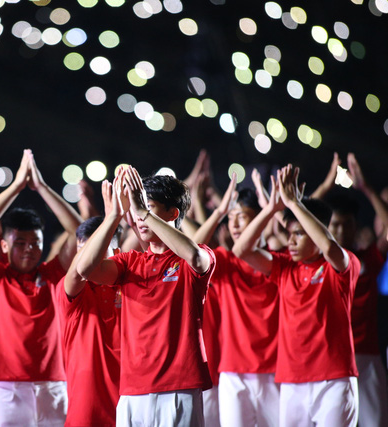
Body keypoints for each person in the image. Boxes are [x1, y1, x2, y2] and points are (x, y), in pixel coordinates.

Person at [76, 167, 215, 426]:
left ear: (173, 213)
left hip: (179, 385)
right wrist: (113, 217)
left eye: (148, 206)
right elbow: (84, 270)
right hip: (132, 389)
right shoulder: (130, 263)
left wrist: (143, 212)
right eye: (138, 208)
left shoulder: (192, 257)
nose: (139, 217)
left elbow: (197, 258)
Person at [233, 165, 360, 427]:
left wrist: (294, 204)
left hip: (334, 380)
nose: (290, 241)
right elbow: (242, 250)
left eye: (299, 234)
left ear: (316, 231)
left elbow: (327, 245)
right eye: (290, 234)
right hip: (292, 381)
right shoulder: (284, 268)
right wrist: (271, 209)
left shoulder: (343, 265)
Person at [0, 149, 81, 426]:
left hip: (54, 388)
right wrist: (17, 185)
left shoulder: (54, 273)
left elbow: (76, 230)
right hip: (7, 392)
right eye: (20, 243)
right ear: (5, 245)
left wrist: (41, 187)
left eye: (35, 243)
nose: (29, 250)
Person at [193, 176, 280, 427]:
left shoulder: (279, 261)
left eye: (242, 216)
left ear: (260, 219)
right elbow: (192, 250)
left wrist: (274, 210)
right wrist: (219, 211)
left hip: (273, 371)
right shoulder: (225, 261)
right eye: (230, 218)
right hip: (232, 372)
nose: (235, 224)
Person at [323, 153, 388, 427]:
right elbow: (295, 222)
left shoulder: (368, 257)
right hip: (332, 359)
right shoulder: (320, 261)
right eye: (335, 224)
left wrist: (367, 189)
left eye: (347, 224)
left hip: (368, 355)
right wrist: (326, 186)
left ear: (355, 226)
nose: (340, 230)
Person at [57, 179, 123, 427]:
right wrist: (111, 218)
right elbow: (77, 273)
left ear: (116, 254)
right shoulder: (73, 291)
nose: (87, 260)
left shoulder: (130, 285)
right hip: (88, 412)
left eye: (96, 251)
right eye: (82, 251)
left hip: (132, 406)